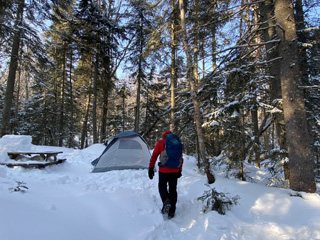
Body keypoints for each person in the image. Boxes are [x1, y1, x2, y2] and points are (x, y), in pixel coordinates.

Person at [148, 130, 183, 219]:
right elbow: (180, 158)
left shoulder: (160, 142)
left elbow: (154, 155)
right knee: (173, 189)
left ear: (164, 136)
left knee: (162, 186)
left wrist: (151, 167)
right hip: (174, 170)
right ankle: (172, 211)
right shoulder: (177, 143)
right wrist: (179, 170)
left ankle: (166, 200)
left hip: (163, 170)